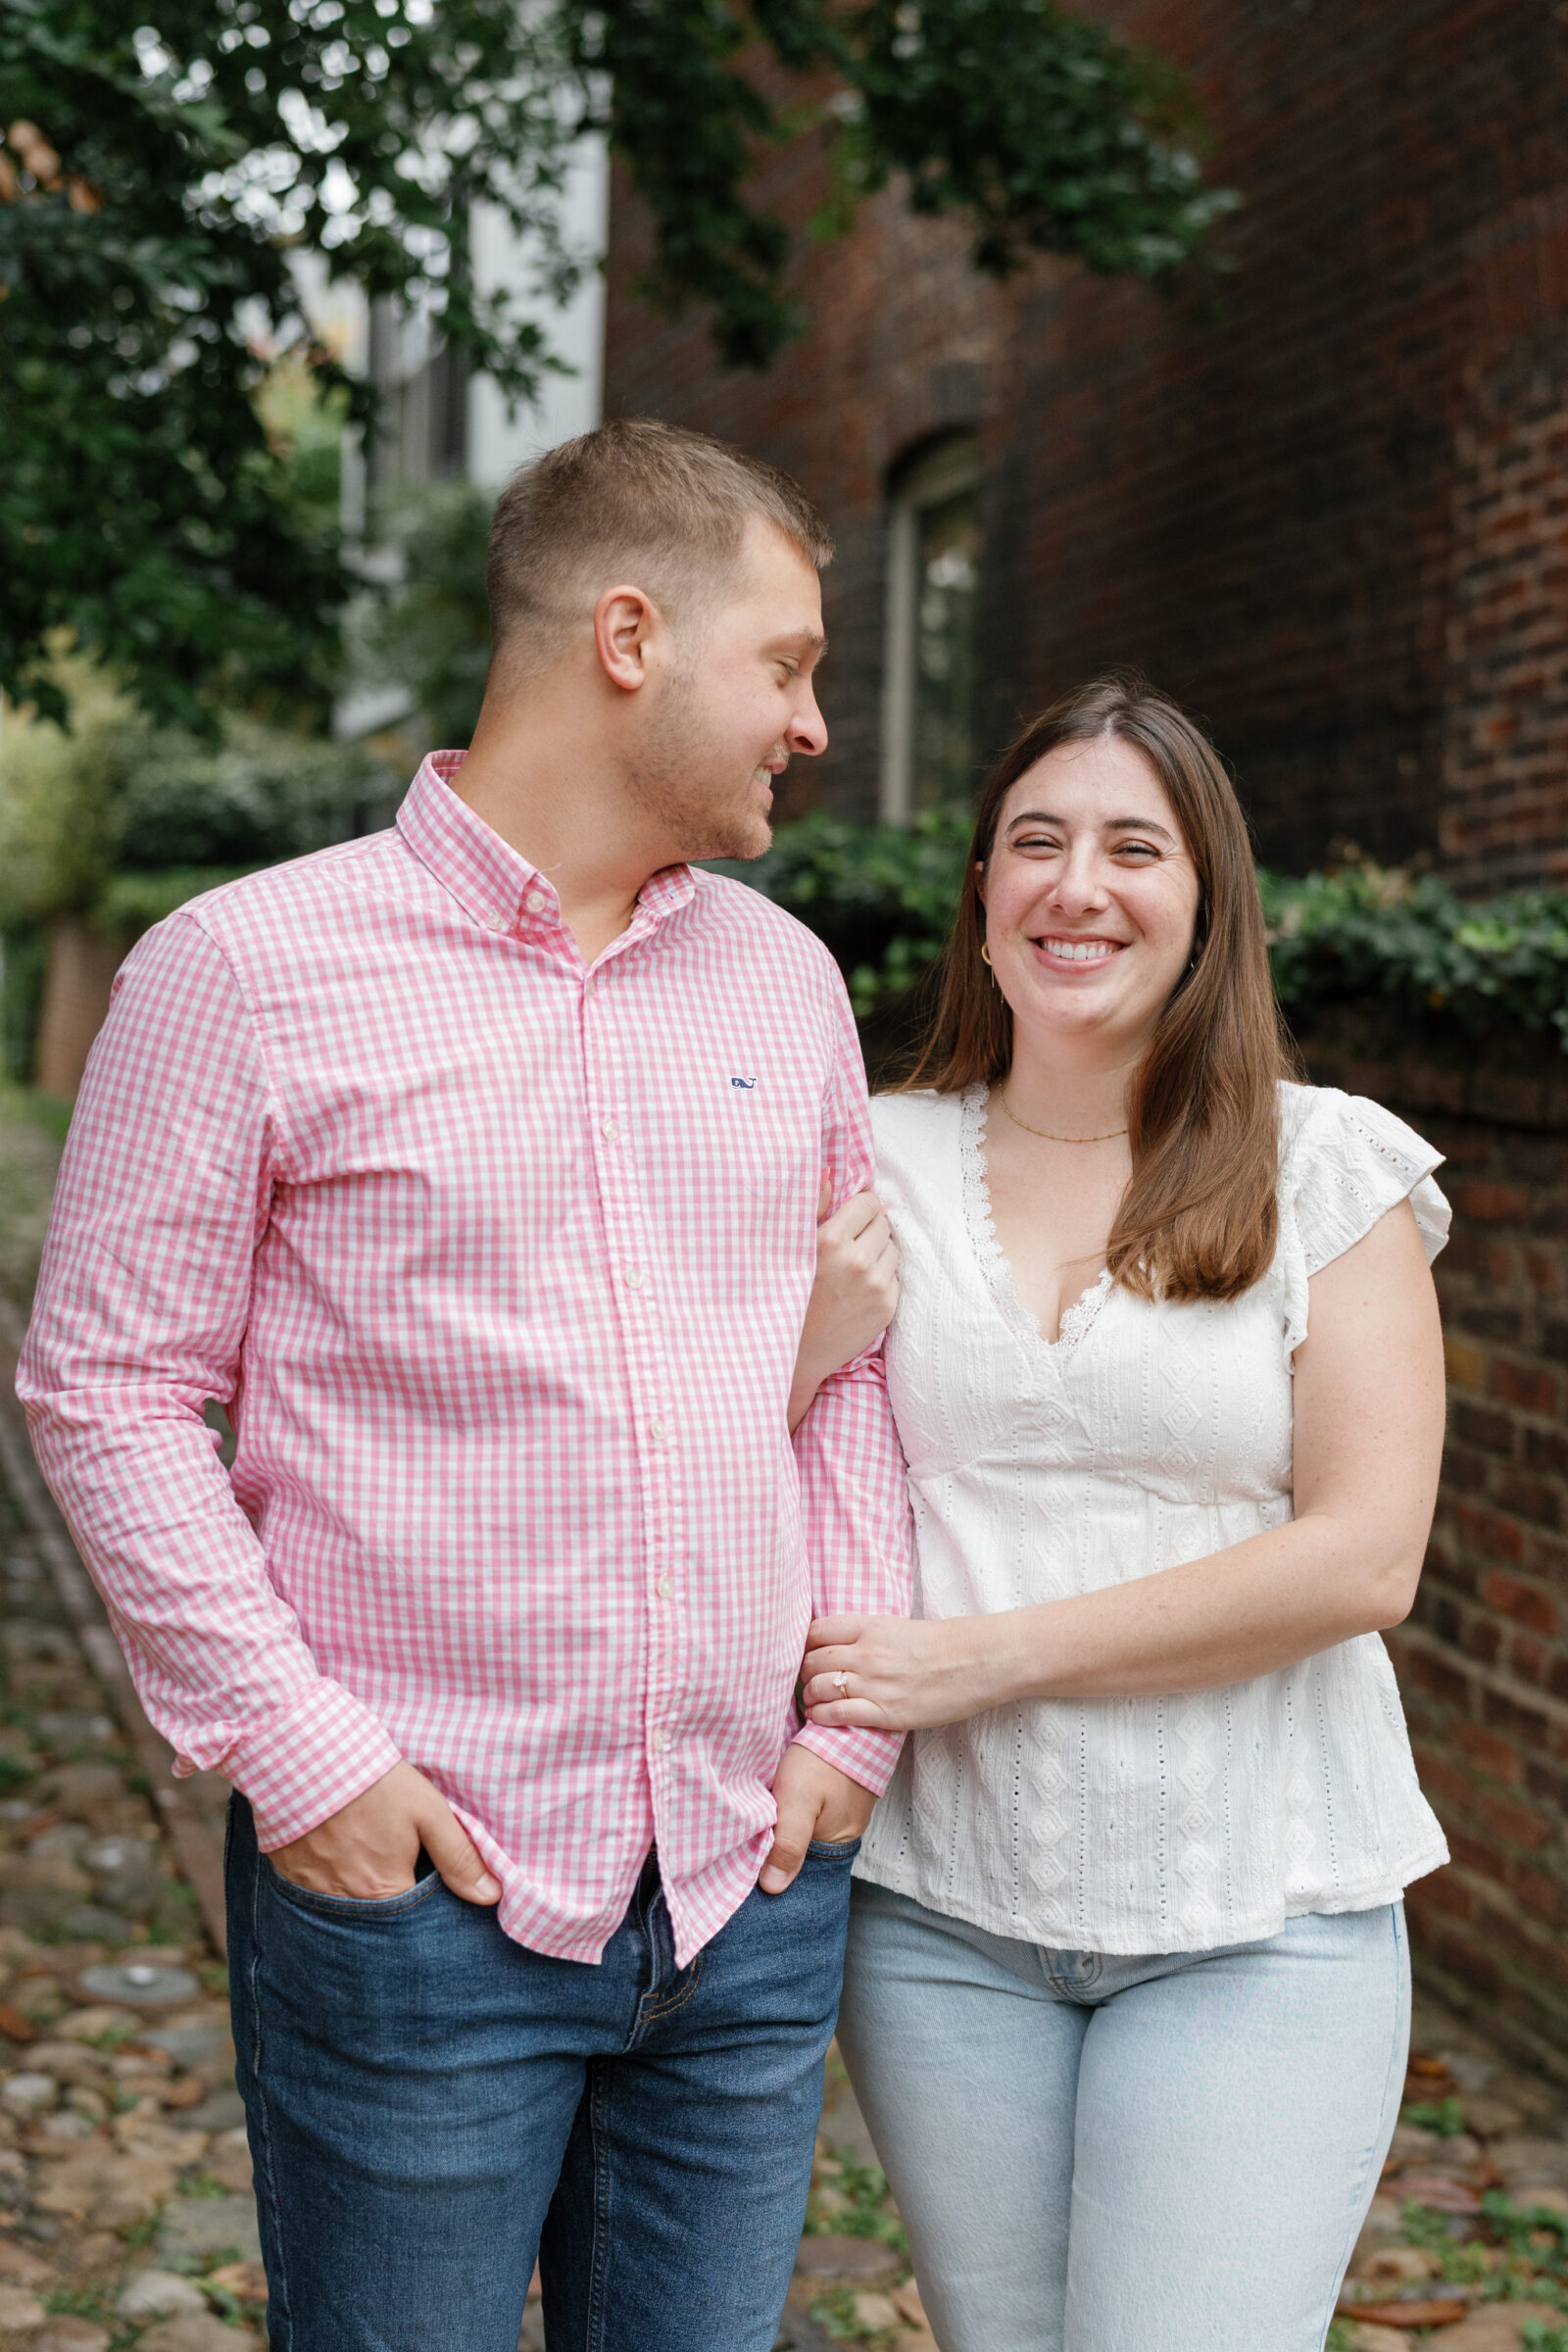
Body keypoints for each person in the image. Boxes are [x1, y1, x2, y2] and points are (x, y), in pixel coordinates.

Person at [19, 418, 910, 2352]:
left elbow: (848, 1375)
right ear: (623, 635)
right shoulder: (242, 972)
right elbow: (102, 1387)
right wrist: (303, 1759)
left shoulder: (784, 986)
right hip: (424, 1898)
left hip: (744, 1892)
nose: (812, 723)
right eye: (785, 664)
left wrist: (848, 1734)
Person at [799, 673, 1451, 2352]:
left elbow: (1365, 1557)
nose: (1076, 886)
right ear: (982, 893)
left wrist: (978, 1660)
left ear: (1207, 900)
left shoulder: (1327, 1170)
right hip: (944, 1911)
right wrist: (797, 1352)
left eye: (1132, 848)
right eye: (1036, 840)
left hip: (1260, 1907)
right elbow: (733, 1472)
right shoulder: (865, 1161)